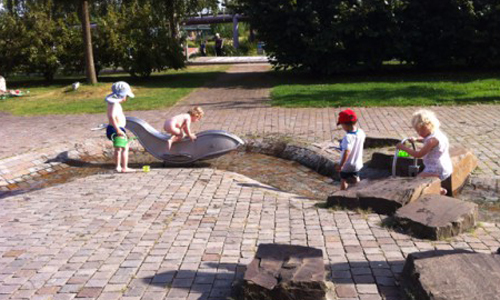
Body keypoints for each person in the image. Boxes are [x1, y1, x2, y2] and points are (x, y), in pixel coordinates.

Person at [396, 109, 452, 195]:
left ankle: (436, 193)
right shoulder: (436, 134)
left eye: (421, 130)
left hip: (436, 170)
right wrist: (417, 139)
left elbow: (418, 154)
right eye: (417, 131)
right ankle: (440, 190)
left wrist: (403, 148)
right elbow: (426, 139)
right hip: (444, 166)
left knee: (417, 181)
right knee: (425, 181)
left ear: (429, 125)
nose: (419, 133)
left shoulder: (431, 141)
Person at [105, 81, 135, 173]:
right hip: (117, 128)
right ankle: (124, 167)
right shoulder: (114, 104)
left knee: (118, 149)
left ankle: (117, 166)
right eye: (126, 96)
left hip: (112, 128)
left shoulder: (111, 103)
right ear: (122, 95)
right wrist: (118, 129)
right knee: (124, 148)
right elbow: (111, 116)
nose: (126, 98)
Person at [335, 109, 366, 190]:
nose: (342, 127)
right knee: (356, 178)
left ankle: (341, 195)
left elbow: (346, 152)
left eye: (342, 125)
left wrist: (341, 165)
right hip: (357, 164)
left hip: (347, 165)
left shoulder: (347, 137)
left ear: (345, 124)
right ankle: (358, 192)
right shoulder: (361, 132)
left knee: (343, 180)